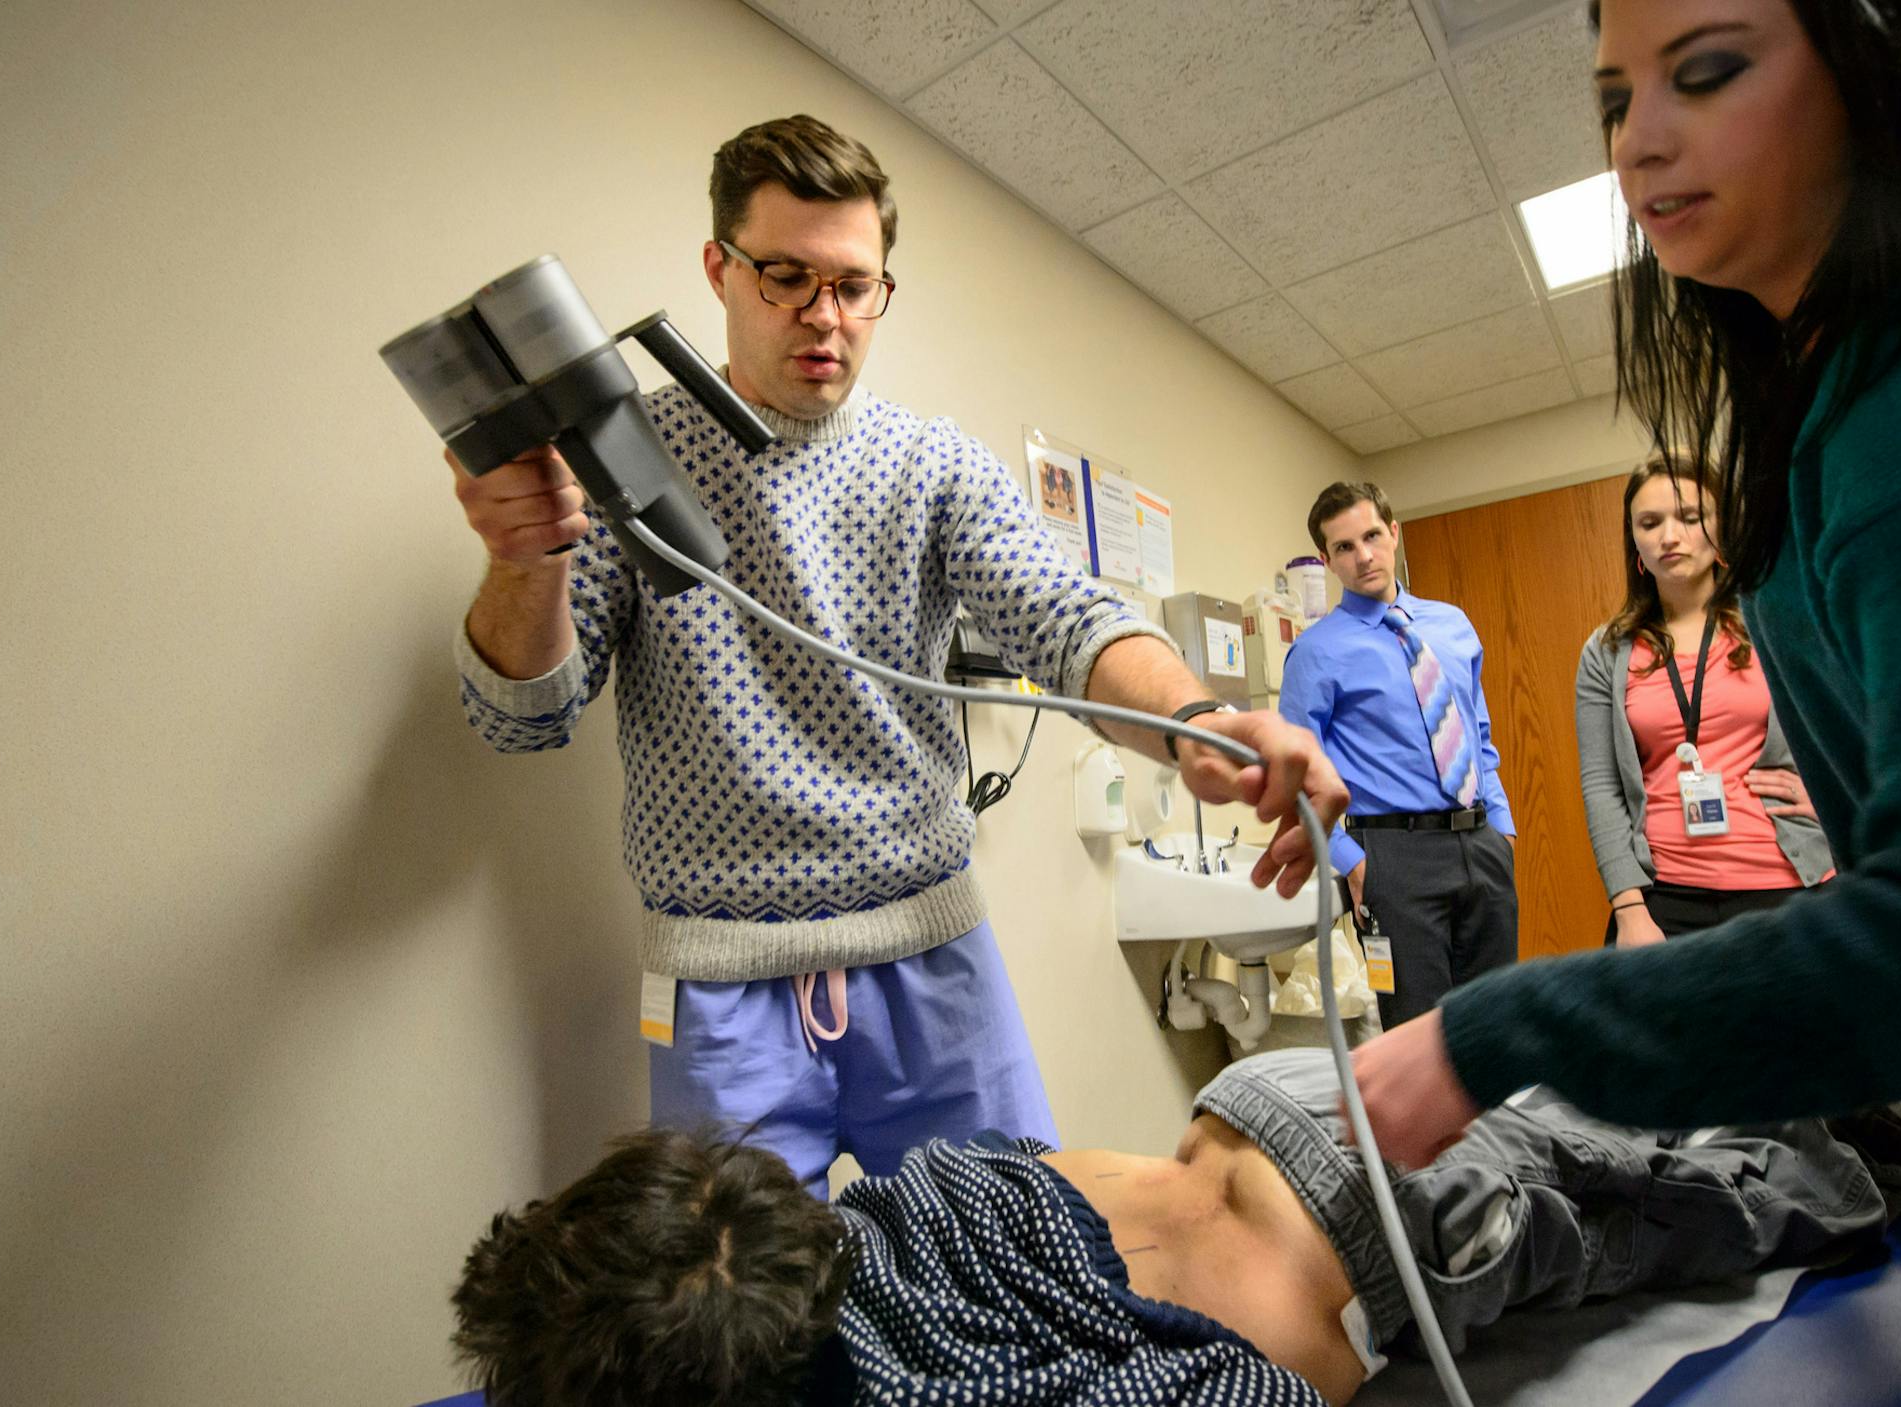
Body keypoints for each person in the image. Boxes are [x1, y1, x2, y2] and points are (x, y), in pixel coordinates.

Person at [1352, 2, 1901, 1395]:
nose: (1640, 140)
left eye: (1707, 72)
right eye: (1615, 99)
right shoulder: (1845, 373)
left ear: (1880, 64)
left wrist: (1504, 1029)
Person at [446, 114, 1345, 1195]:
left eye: (856, 286)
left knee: (1015, 1273)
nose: (827, 318)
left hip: (932, 966)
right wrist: (527, 558)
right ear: (717, 271)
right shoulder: (627, 462)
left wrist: (1193, 724)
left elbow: (1062, 615)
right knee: (736, 1336)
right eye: (787, 277)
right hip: (721, 992)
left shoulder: (930, 464)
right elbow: (521, 717)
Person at [450, 1047, 1901, 1407]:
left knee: (1744, 1187)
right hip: (1263, 1097)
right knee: (1628, 1091)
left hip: (1400, 1222)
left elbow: (1260, 1384)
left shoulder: (947, 1385)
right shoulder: (870, 1209)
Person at [1279, 482, 1518, 1028]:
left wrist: (1501, 830)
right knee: (1419, 1037)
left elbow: (1478, 734)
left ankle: (1495, 1120)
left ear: (1394, 532)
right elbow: (1295, 773)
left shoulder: (1452, 626)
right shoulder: (1317, 653)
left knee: (1499, 1022)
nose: (1363, 556)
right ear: (1327, 561)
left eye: (1370, 536)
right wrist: (1351, 861)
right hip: (1393, 857)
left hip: (1481, 844)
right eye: (1343, 547)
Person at [1577, 453, 1833, 947]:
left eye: (1689, 518)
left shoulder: (1776, 622)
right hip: (1664, 901)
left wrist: (1836, 802)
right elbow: (1601, 786)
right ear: (1635, 543)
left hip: (1785, 886)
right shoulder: (1606, 651)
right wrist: (1629, 910)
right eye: (1650, 523)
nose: (1669, 536)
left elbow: (1850, 723)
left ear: (1718, 529)